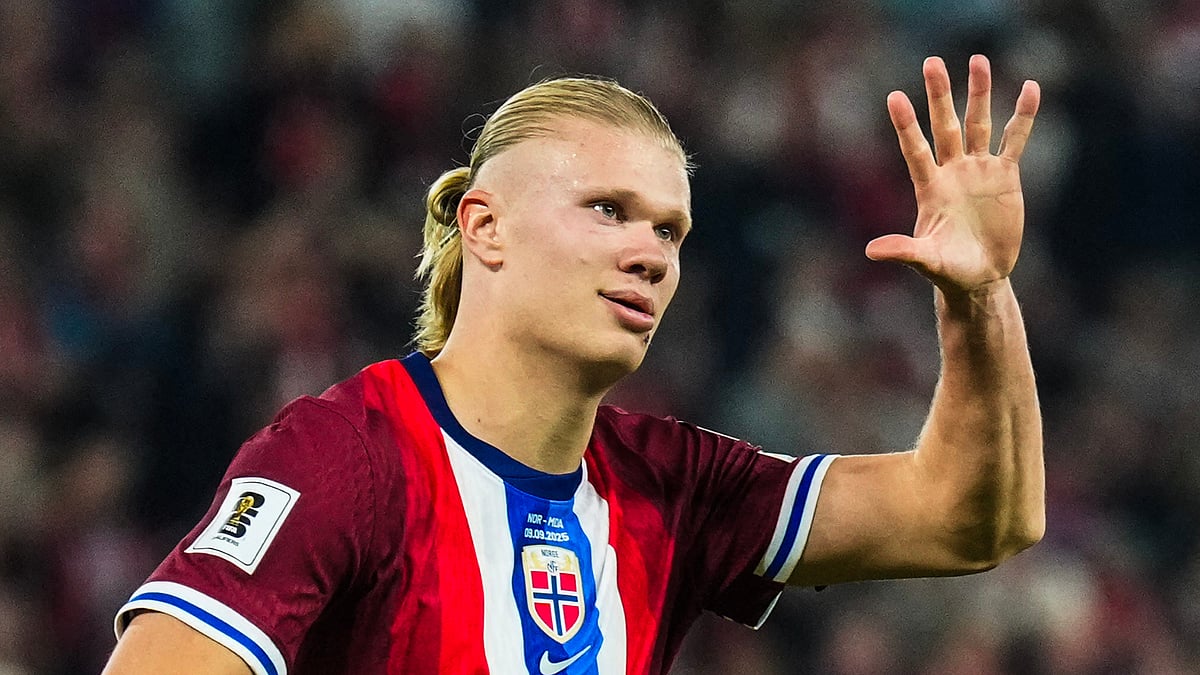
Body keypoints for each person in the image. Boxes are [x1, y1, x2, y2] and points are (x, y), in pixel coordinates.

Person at [103, 54, 1044, 675]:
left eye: (670, 231)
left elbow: (976, 519)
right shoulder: (347, 457)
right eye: (608, 210)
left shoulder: (676, 487)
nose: (651, 254)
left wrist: (980, 296)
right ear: (485, 227)